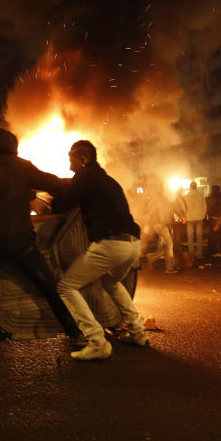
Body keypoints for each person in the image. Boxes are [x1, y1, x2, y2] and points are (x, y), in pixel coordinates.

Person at [0, 127, 83, 352]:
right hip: (20, 240)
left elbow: (5, 191)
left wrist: (27, 194)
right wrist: (77, 182)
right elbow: (53, 183)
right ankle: (75, 334)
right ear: (13, 146)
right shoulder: (23, 166)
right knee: (48, 286)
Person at [53, 140, 150, 361]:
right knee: (111, 282)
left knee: (66, 287)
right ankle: (138, 333)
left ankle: (97, 341)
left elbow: (61, 205)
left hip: (111, 244)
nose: (70, 167)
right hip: (133, 244)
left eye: (72, 161)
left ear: (84, 159)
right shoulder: (108, 180)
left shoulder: (85, 176)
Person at [143, 187, 179, 273]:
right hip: (160, 225)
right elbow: (151, 212)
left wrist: (181, 216)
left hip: (166, 225)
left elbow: (176, 208)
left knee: (166, 246)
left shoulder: (169, 199)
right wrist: (149, 224)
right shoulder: (157, 199)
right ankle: (170, 267)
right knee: (169, 244)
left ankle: (152, 257)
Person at [183, 181, 207, 256]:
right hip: (199, 218)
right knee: (199, 236)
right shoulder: (200, 196)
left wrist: (185, 216)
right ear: (196, 187)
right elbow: (205, 207)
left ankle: (191, 252)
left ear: (190, 187)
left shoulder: (186, 197)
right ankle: (199, 252)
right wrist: (203, 215)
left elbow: (183, 207)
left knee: (190, 236)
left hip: (189, 218)